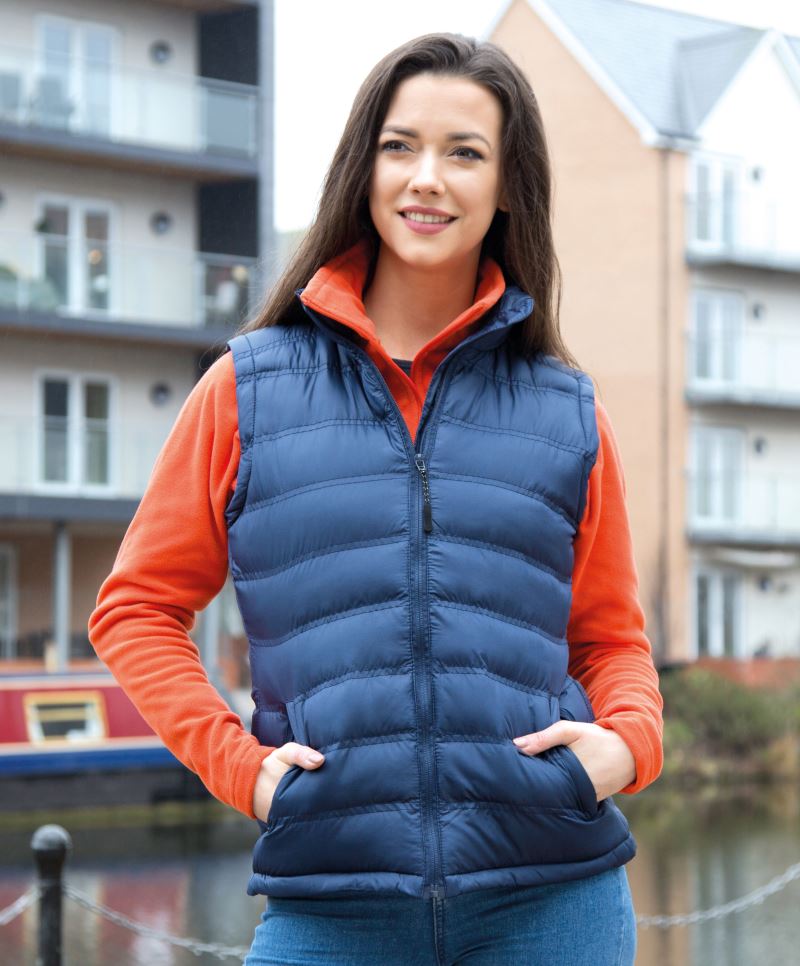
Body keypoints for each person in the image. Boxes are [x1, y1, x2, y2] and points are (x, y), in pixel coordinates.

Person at [89, 32, 663, 966]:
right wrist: (245, 772)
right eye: (401, 146)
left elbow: (609, 640)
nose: (426, 178)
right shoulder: (247, 389)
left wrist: (629, 743)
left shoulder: (566, 408)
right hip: (331, 903)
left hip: (554, 900)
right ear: (365, 167)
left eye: (464, 152)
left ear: (508, 186)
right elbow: (135, 610)